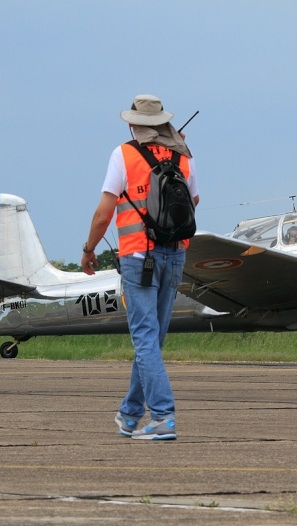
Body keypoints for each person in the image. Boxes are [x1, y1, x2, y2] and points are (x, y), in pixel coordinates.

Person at [81, 94, 199, 441]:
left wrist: (89, 249)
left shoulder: (124, 154)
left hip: (137, 257)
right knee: (153, 339)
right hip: (175, 254)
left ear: (134, 125)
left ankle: (163, 417)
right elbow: (193, 201)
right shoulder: (184, 156)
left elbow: (104, 213)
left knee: (145, 339)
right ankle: (131, 414)